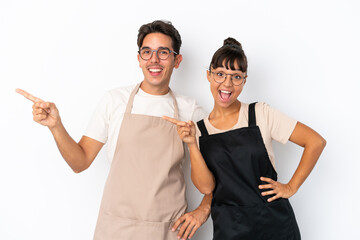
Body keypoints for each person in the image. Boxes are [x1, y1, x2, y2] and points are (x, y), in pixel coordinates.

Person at [16, 20, 212, 240]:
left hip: (168, 229)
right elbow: (80, 163)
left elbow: (222, 169)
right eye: (147, 52)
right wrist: (56, 126)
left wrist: (204, 208)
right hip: (116, 228)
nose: (154, 60)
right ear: (139, 59)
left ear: (177, 60)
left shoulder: (191, 110)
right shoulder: (114, 101)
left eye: (163, 52)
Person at [164, 37, 326, 240]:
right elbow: (206, 188)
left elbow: (315, 142)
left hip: (275, 225)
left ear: (244, 80)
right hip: (230, 228)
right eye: (220, 74)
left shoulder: (260, 114)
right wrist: (191, 145)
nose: (227, 84)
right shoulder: (199, 130)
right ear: (208, 75)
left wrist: (291, 187)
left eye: (236, 77)